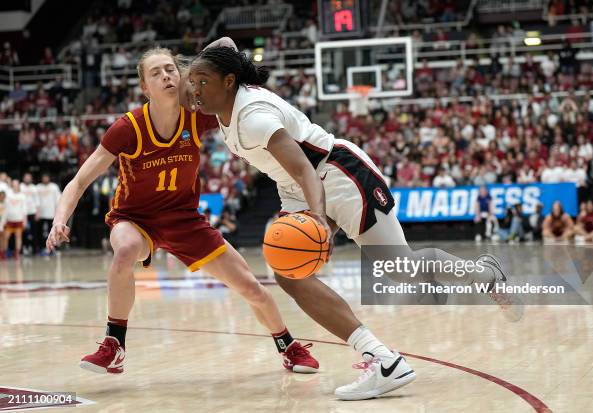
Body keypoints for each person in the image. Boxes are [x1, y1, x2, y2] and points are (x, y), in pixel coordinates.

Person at [187, 44, 523, 400]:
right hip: (296, 185)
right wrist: (190, 67)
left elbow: (305, 168)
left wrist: (317, 219)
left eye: (202, 81)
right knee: (288, 273)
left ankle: (487, 274)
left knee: (400, 267)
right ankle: (381, 358)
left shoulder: (254, 116)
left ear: (228, 81)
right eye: (191, 80)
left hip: (337, 174)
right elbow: (225, 45)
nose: (194, 89)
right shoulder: (223, 98)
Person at [46, 46, 317, 376]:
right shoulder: (127, 128)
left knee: (250, 287)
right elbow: (78, 181)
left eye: (171, 69)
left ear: (182, 75)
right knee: (126, 249)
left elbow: (227, 48)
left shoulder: (199, 115)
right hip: (135, 218)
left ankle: (287, 345)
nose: (166, 76)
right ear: (145, 87)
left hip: (185, 219)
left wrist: (201, 66)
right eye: (156, 72)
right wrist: (60, 219)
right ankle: (114, 345)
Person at [2, 180, 27, 259]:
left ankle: (17, 253)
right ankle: (4, 253)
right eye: (14, 184)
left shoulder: (22, 196)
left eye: (17, 184)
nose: (15, 186)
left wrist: (24, 220)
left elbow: (24, 209)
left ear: (19, 185)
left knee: (18, 237)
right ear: (12, 185)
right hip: (9, 220)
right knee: (6, 237)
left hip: (18, 219)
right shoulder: (8, 195)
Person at [37, 173, 61, 254]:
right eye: (44, 177)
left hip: (51, 214)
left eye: (46, 177)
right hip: (41, 215)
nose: (45, 179)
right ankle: (42, 247)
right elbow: (36, 201)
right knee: (41, 232)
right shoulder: (38, 187)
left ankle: (54, 248)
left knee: (53, 232)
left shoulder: (54, 187)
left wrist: (57, 212)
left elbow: (58, 200)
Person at [21, 172, 40, 255]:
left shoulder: (34, 188)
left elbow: (37, 201)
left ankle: (34, 249)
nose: (27, 179)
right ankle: (23, 248)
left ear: (31, 179)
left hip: (32, 212)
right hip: (22, 213)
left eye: (29, 177)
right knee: (23, 232)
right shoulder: (20, 187)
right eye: (26, 177)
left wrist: (37, 213)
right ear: (23, 178)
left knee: (34, 232)